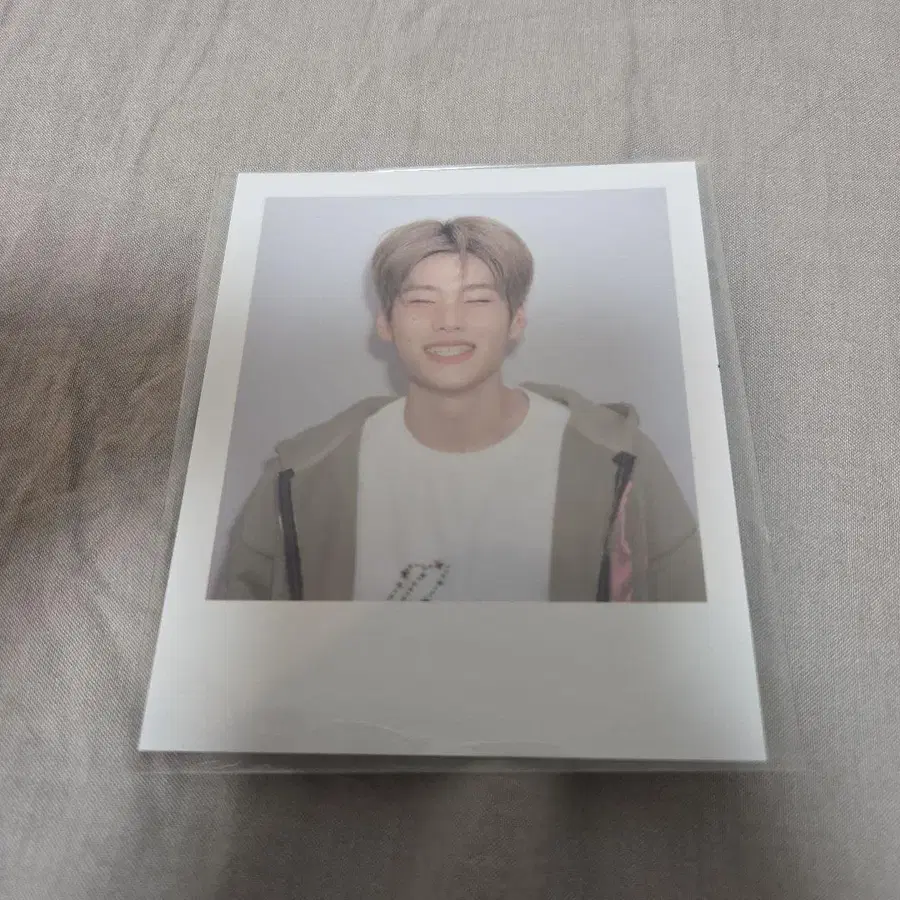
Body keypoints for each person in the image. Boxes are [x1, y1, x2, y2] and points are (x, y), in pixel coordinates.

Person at [215, 216, 706, 603]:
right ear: (385, 323)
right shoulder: (299, 477)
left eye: (477, 300)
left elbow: (692, 636)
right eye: (421, 301)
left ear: (516, 320)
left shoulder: (619, 461)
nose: (449, 322)